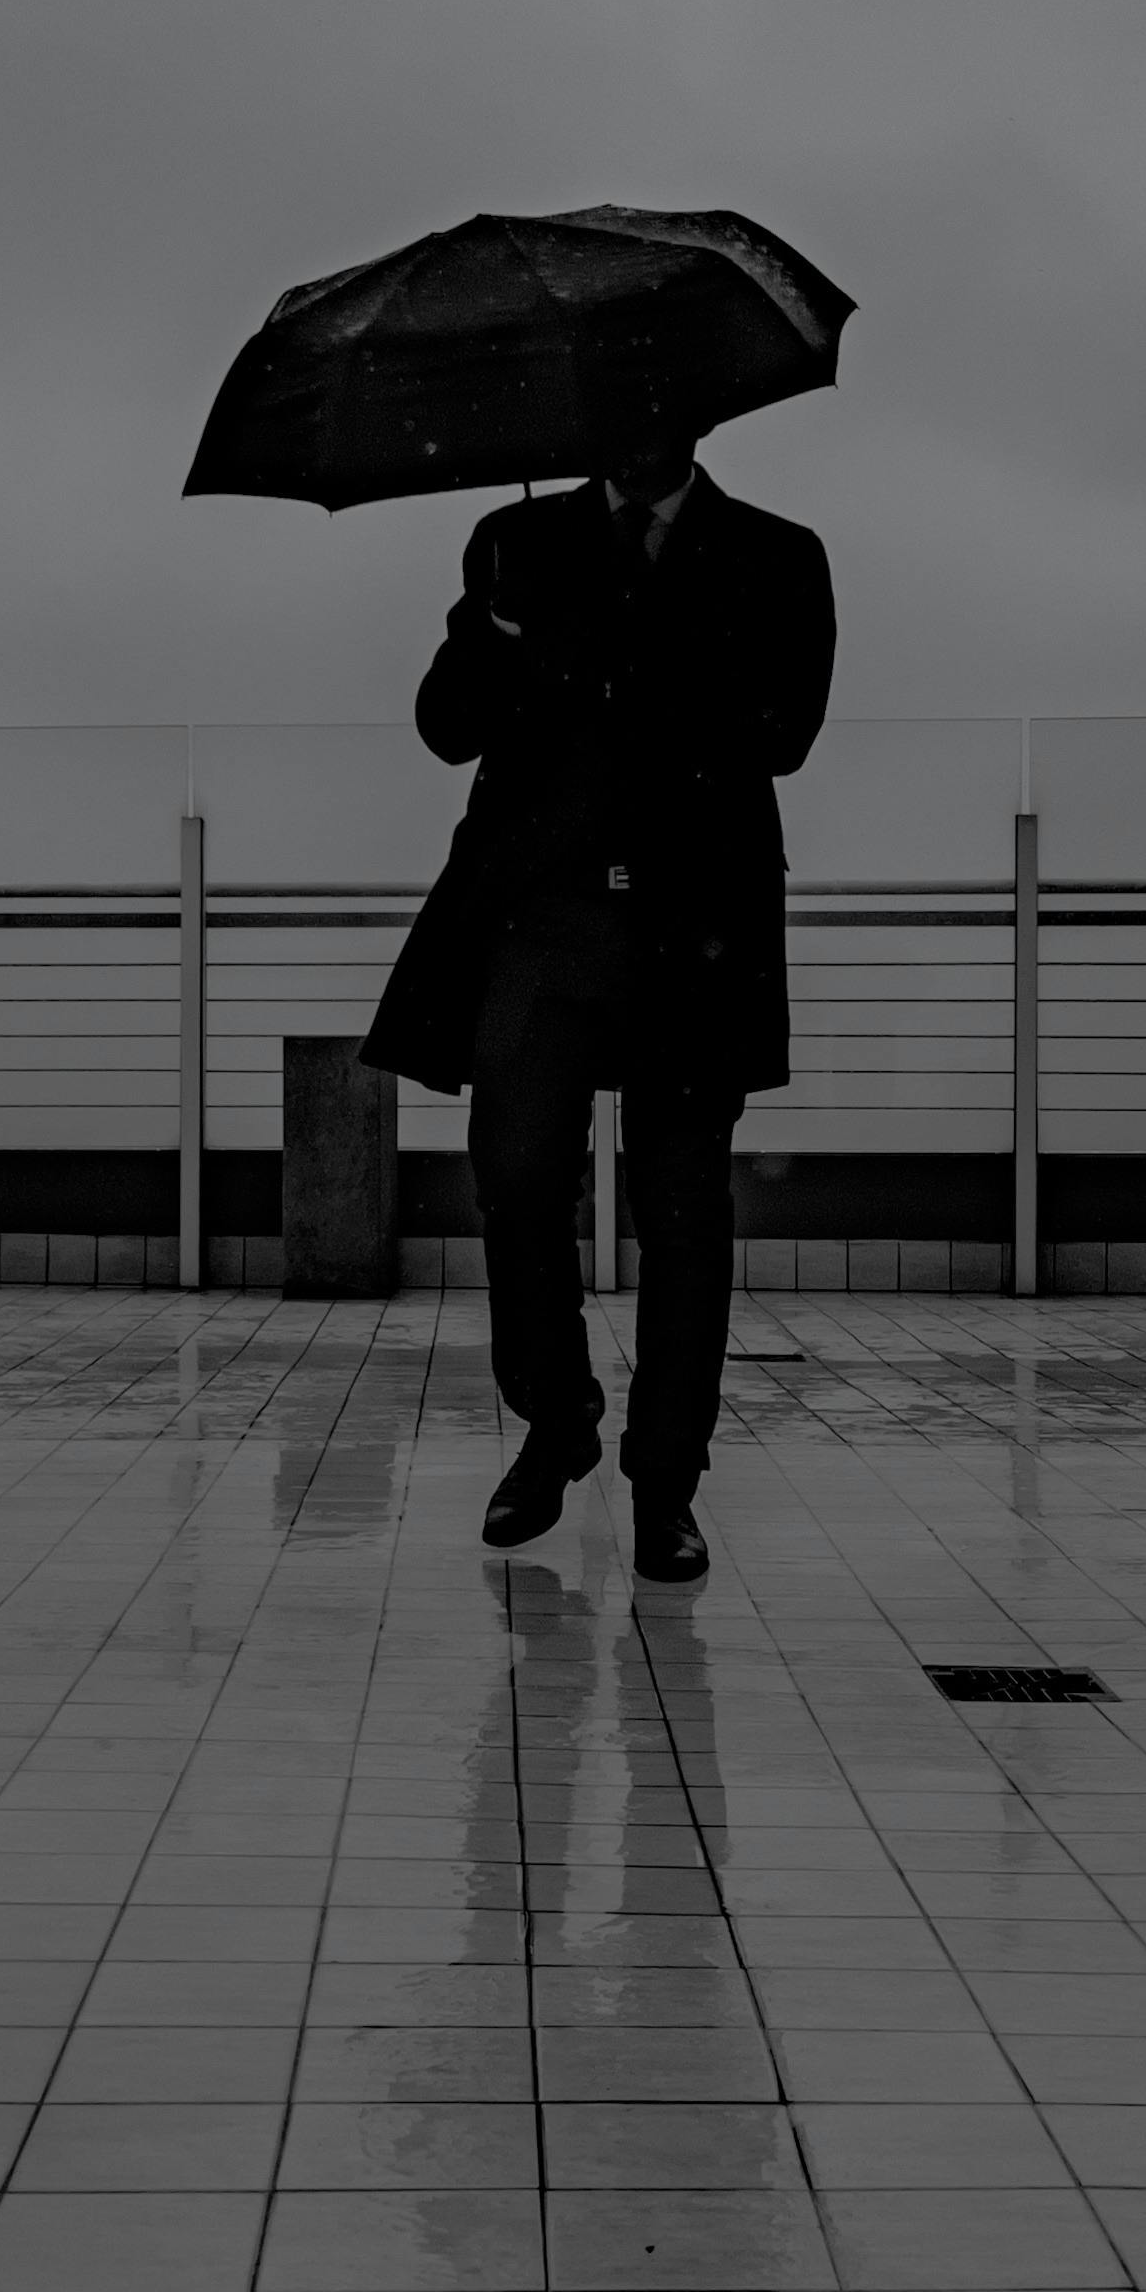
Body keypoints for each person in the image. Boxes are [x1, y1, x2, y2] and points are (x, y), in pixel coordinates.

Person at [362, 379, 836, 1581]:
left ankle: (667, 1480)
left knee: (684, 1215)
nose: (632, 429)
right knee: (514, 1180)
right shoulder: (519, 544)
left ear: (701, 417)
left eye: (657, 403)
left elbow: (781, 730)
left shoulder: (779, 555)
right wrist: (496, 633)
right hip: (545, 918)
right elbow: (444, 725)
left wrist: (620, 657)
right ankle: (556, 1422)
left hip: (697, 929)